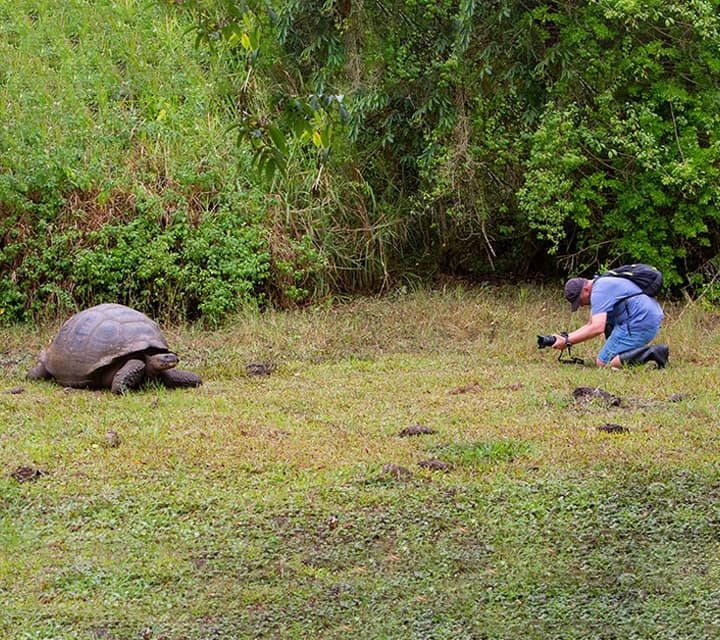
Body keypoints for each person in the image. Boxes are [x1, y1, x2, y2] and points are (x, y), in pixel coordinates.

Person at [552, 275, 669, 368]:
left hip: (641, 322)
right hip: (647, 317)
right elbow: (590, 324)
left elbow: (597, 328)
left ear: (586, 289)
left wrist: (568, 341)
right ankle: (621, 353)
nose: (581, 305)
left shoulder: (599, 293)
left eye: (580, 300)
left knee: (604, 363)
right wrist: (566, 338)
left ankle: (654, 352)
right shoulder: (601, 283)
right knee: (607, 322)